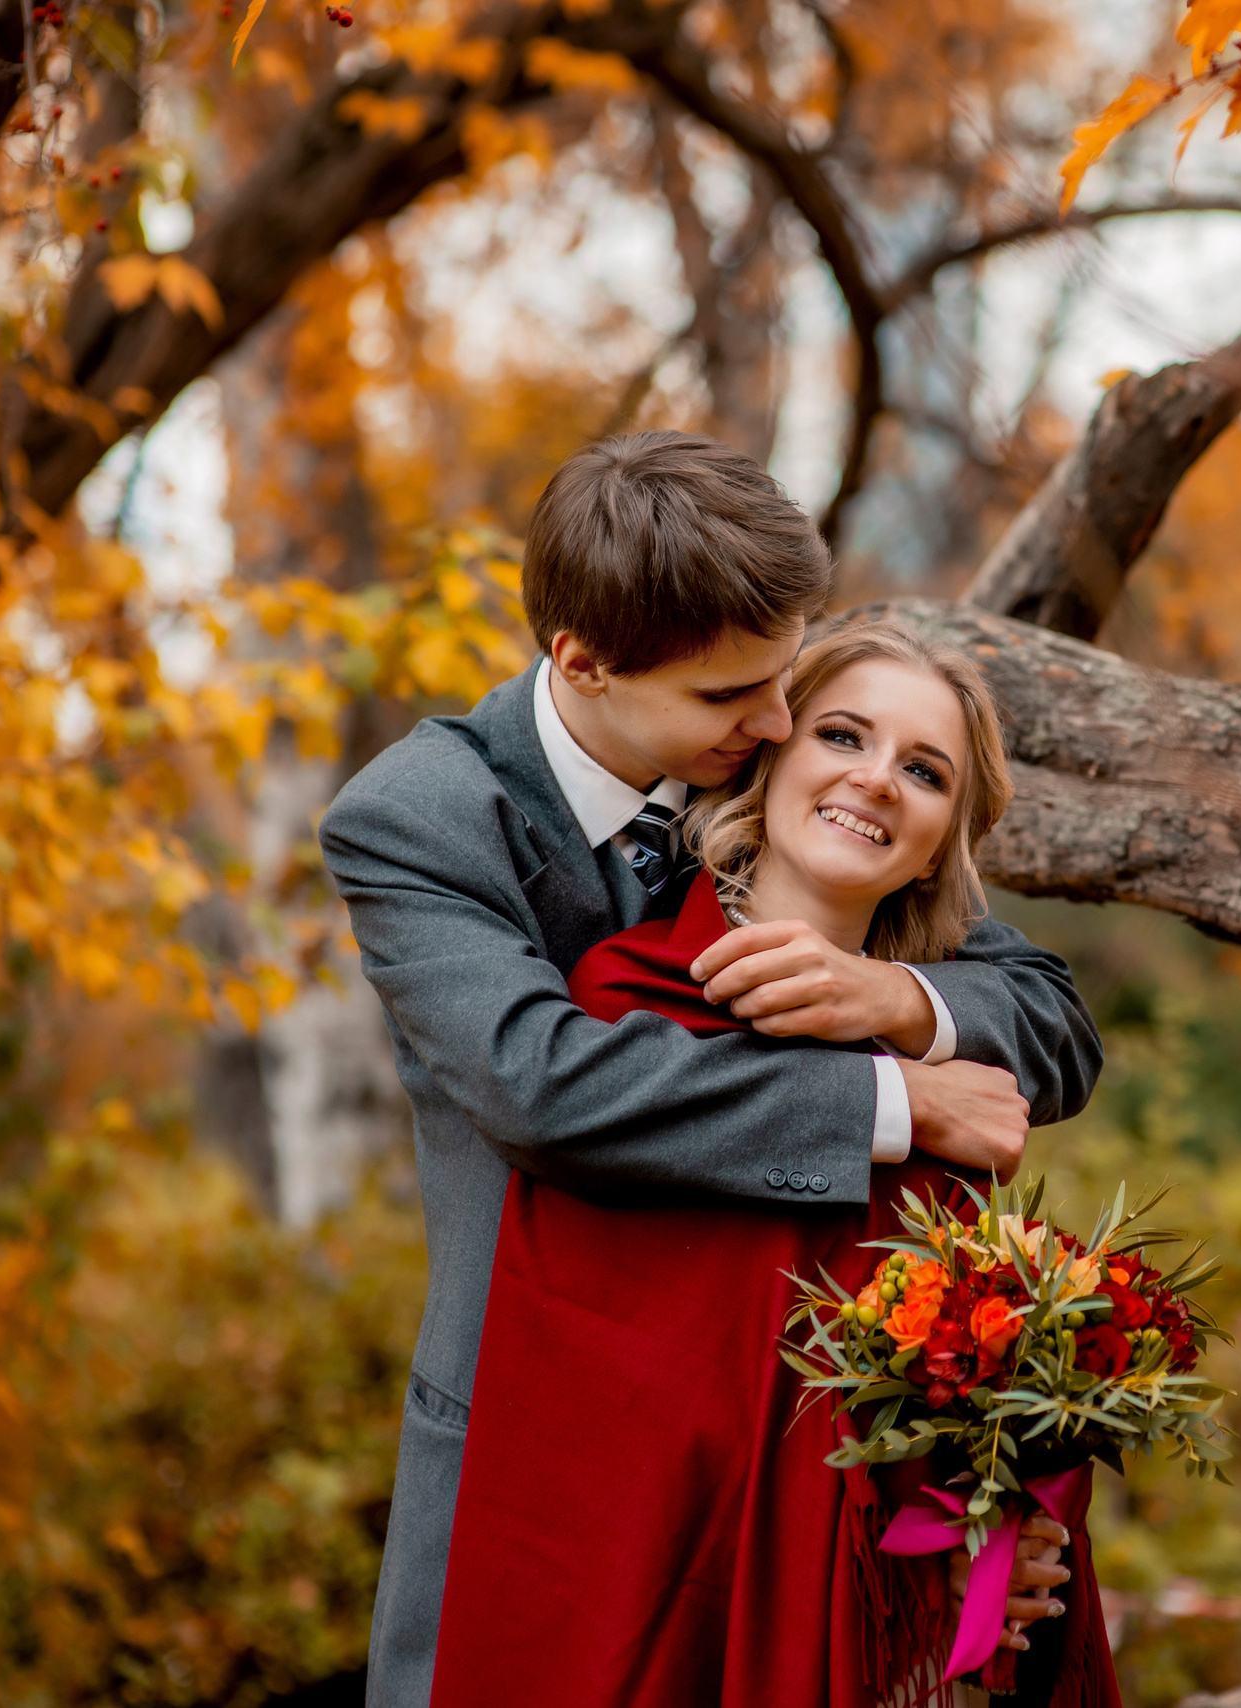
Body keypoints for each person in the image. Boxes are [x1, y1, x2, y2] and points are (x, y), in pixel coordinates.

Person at [319, 434, 1103, 1708]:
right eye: (736, 697)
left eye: (787, 679)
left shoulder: (753, 774)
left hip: (796, 1454)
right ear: (583, 662)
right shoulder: (424, 817)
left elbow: (1044, 1014)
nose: (782, 723)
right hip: (554, 1450)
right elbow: (541, 1086)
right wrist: (892, 1101)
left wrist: (893, 998)